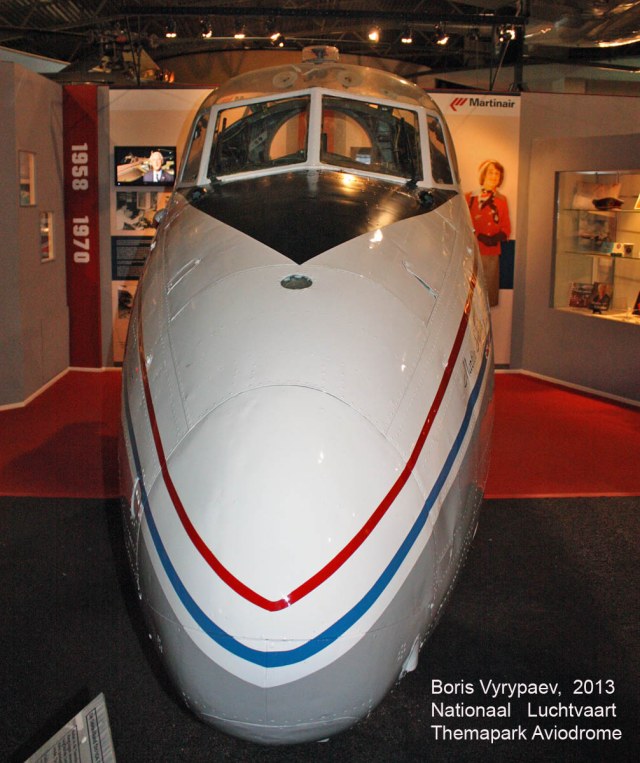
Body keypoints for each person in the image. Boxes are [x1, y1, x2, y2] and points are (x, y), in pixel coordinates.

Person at [465, 159, 511, 307]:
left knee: (488, 297)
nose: (494, 176)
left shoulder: (502, 200)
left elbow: (506, 228)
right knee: (470, 295)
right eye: (491, 172)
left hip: (491, 254)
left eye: (497, 173)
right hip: (472, 252)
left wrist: (494, 238)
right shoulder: (469, 197)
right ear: (483, 174)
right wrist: (478, 236)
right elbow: (464, 223)